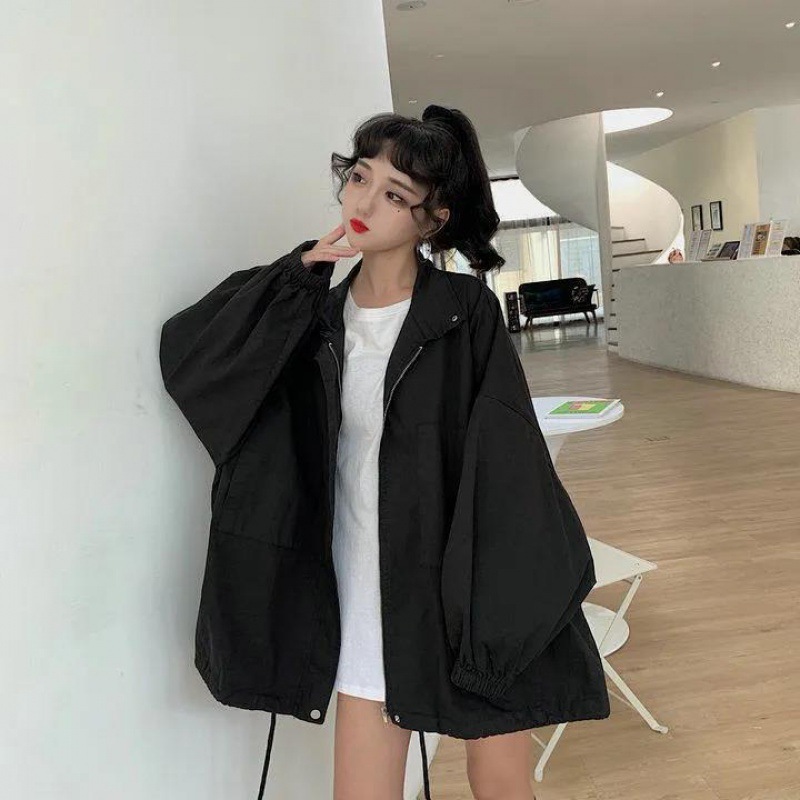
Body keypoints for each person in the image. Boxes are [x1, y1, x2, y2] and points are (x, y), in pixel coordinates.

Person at [159, 105, 610, 800]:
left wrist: (500, 613)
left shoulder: (464, 311)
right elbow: (197, 362)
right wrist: (296, 274)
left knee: (499, 780)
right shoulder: (312, 316)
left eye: (395, 195)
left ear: (432, 220)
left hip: (462, 587)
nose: (364, 203)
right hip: (361, 587)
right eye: (359, 178)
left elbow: (508, 460)